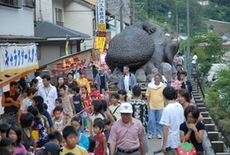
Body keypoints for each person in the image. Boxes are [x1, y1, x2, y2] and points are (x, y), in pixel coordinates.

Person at [159, 86, 184, 155]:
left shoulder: (167, 109)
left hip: (170, 141)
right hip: (178, 139)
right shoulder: (179, 106)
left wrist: (164, 144)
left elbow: (165, 127)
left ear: (164, 96)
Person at [146, 73, 165, 139]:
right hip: (152, 106)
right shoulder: (150, 86)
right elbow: (147, 95)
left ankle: (158, 133)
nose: (157, 79)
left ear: (160, 79)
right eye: (156, 78)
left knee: (160, 121)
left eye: (158, 78)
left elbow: (164, 96)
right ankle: (151, 133)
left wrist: (165, 104)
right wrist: (148, 104)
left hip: (160, 106)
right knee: (151, 120)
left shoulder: (163, 86)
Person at [130, 85, 149, 153]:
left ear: (132, 93)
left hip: (132, 126)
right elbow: (146, 113)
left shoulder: (130, 103)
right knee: (143, 143)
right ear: (140, 93)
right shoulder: (144, 103)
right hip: (142, 126)